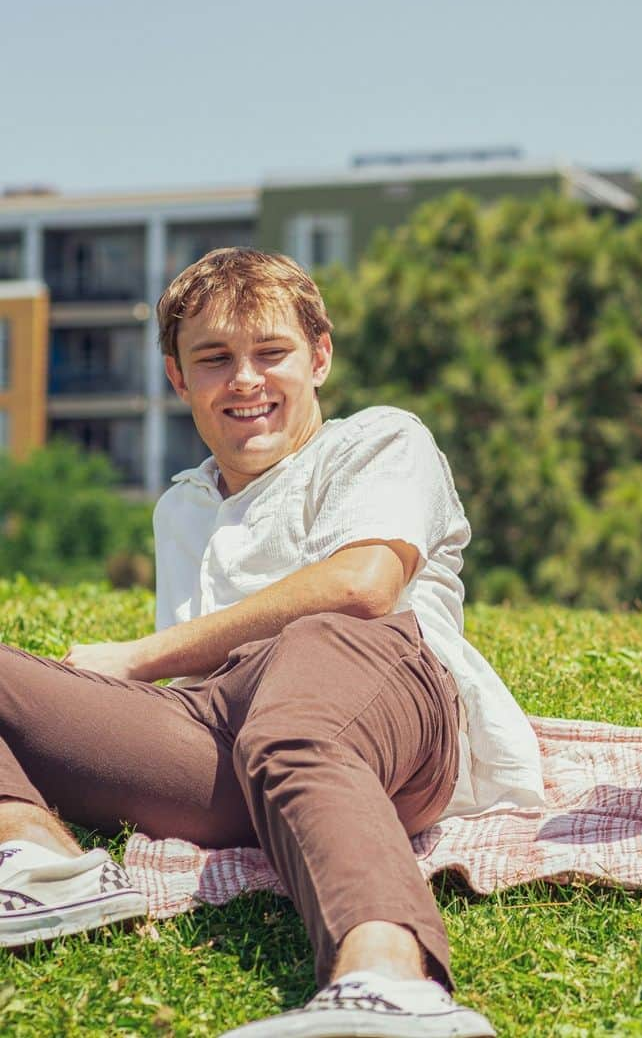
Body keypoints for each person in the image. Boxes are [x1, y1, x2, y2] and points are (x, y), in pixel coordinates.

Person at [0, 248, 545, 1037]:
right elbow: (200, 701)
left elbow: (363, 587)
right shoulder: (181, 507)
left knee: (307, 665)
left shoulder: (379, 441)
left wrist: (139, 657)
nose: (245, 380)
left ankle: (390, 984)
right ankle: (42, 863)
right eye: (214, 360)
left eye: (272, 353)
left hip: (384, 700)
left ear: (319, 357)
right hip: (223, 737)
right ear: (178, 380)